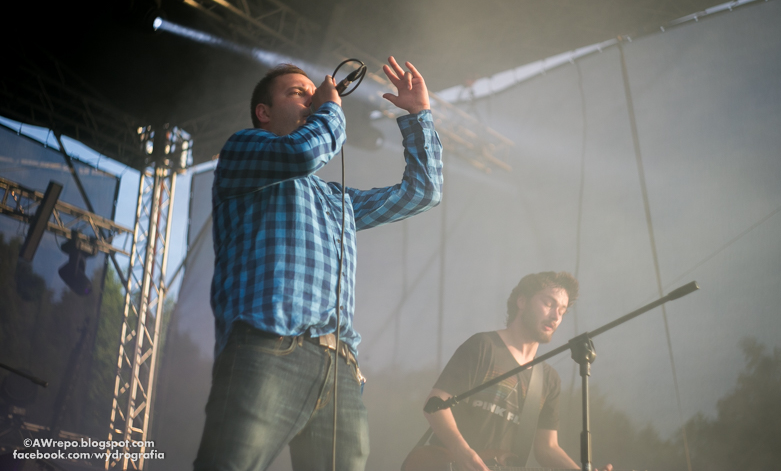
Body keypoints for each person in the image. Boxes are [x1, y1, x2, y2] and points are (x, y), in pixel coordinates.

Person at [194, 57, 443, 471]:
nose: (312, 99)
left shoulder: (334, 199)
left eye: (314, 94)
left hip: (339, 368)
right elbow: (303, 152)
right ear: (264, 112)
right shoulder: (242, 151)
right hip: (268, 347)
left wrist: (418, 116)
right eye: (298, 93)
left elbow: (422, 192)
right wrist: (330, 107)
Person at [420, 272, 612, 471]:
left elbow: (547, 447)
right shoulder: (483, 346)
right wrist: (464, 453)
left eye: (562, 311)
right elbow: (435, 404)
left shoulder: (549, 380)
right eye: (548, 304)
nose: (555, 317)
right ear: (522, 301)